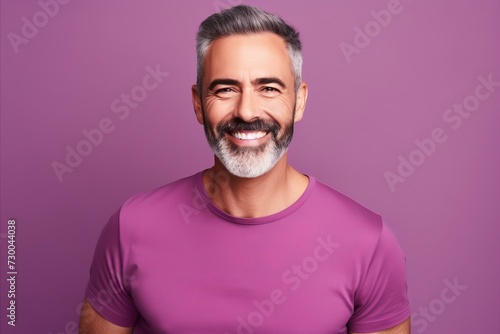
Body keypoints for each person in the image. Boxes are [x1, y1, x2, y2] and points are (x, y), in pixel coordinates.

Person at [79, 5, 411, 333]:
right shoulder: (131, 228)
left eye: (269, 88)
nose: (247, 111)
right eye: (225, 89)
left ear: (299, 101)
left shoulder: (368, 242)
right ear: (198, 103)